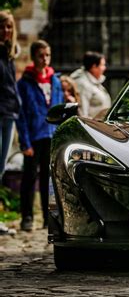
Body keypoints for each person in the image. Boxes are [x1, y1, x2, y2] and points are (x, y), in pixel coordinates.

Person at [16, 40, 63, 231]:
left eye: (47, 55)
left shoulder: (55, 81)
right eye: (41, 55)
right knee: (29, 176)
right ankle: (27, 216)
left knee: (49, 178)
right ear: (33, 56)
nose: (45, 59)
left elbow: (59, 110)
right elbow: (21, 114)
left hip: (51, 134)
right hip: (34, 136)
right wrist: (25, 142)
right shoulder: (25, 83)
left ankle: (48, 216)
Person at [0, 10, 21, 183]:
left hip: (9, 113)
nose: (6, 30)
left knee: (2, 165)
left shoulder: (9, 55)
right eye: (2, 27)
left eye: (9, 27)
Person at [70, 51, 111, 118]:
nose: (104, 68)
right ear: (94, 66)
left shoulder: (94, 82)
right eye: (102, 65)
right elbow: (83, 114)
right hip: (91, 126)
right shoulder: (83, 84)